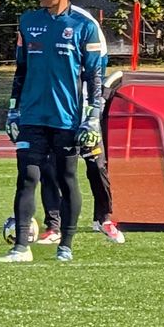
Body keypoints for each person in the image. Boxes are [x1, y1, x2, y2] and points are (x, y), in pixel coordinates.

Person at [0, 0, 106, 263]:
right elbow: (20, 71)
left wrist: (93, 117)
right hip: (32, 116)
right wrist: (13, 110)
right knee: (27, 177)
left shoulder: (84, 27)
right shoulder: (28, 22)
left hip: (67, 118)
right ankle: (20, 247)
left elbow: (94, 76)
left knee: (66, 178)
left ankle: (66, 246)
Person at [37, 65, 127, 245]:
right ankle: (54, 226)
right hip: (62, 121)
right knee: (51, 170)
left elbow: (99, 81)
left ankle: (104, 219)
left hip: (88, 121)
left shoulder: (91, 51)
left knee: (98, 168)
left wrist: (94, 115)